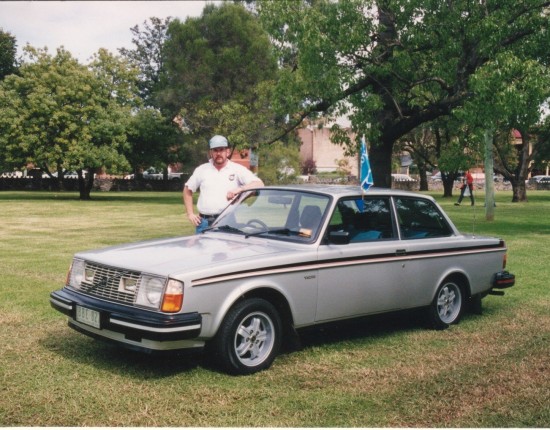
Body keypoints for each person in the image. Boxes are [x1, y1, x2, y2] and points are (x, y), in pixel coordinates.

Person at [183, 135, 264, 233]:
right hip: (203, 223)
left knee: (226, 248)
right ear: (210, 153)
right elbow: (188, 189)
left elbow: (259, 184)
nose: (218, 153)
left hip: (227, 221)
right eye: (215, 150)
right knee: (202, 248)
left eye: (221, 150)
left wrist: (240, 189)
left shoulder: (237, 169)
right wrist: (190, 214)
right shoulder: (202, 169)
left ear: (228, 152)